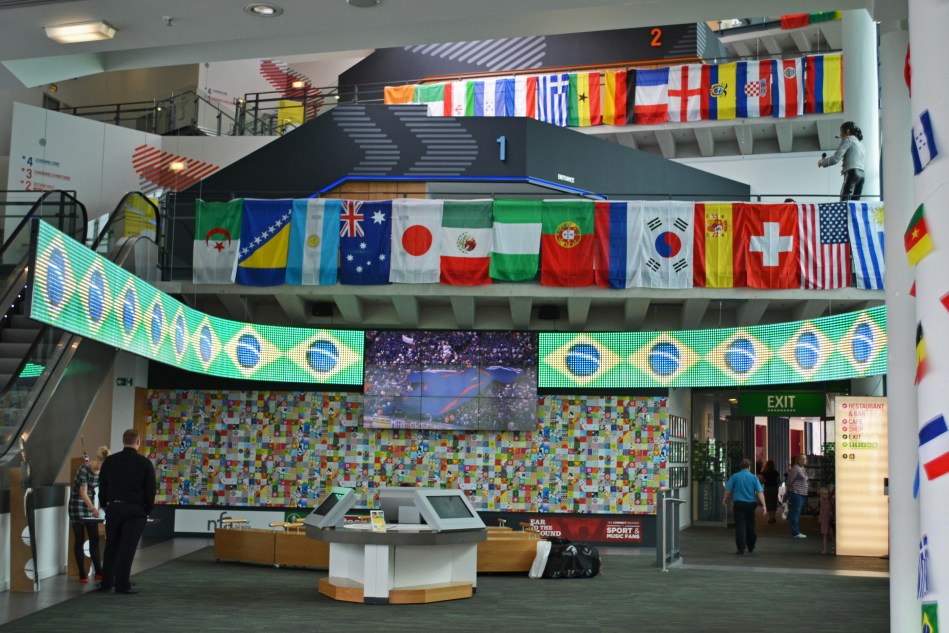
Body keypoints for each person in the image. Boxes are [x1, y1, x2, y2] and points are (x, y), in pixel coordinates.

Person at [98, 429, 156, 594]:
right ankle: (122, 583)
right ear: (138, 442)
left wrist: (105, 505)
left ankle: (106, 582)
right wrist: (147, 510)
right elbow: (150, 490)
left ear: (123, 441)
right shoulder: (144, 463)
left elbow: (102, 486)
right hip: (135, 510)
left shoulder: (110, 461)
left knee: (111, 545)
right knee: (127, 547)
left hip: (114, 508)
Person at [68, 446, 110, 583]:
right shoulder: (84, 469)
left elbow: (103, 490)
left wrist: (103, 507)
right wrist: (93, 509)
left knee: (94, 538)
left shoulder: (104, 471)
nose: (102, 468)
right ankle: (82, 573)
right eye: (101, 465)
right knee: (79, 538)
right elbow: (83, 493)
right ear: (97, 459)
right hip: (77, 503)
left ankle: (99, 571)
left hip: (90, 502)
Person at [723, 458, 767, 555]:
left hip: (738, 504)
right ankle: (751, 546)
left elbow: (728, 490)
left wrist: (725, 499)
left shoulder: (734, 476)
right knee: (751, 525)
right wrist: (764, 505)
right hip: (750, 505)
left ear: (741, 467)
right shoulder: (754, 478)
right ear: (749, 467)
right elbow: (760, 492)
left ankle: (741, 548)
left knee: (740, 526)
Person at [817, 121, 866, 201]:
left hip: (852, 173)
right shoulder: (861, 144)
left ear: (847, 131)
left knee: (844, 201)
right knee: (855, 202)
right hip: (862, 175)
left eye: (841, 132)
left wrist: (822, 162)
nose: (841, 135)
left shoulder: (848, 139)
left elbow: (835, 159)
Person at [785, 454, 810, 538]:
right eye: (803, 459)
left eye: (805, 458)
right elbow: (789, 481)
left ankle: (794, 528)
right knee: (796, 512)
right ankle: (795, 532)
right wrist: (790, 489)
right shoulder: (796, 468)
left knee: (796, 511)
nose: (805, 460)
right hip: (796, 493)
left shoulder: (801, 468)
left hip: (801, 493)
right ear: (798, 460)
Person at [761, 459, 781, 524]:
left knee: (768, 503)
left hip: (767, 489)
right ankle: (773, 517)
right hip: (774, 489)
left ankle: (770, 518)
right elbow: (778, 481)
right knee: (774, 503)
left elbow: (762, 481)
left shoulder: (764, 472)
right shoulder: (776, 472)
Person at [819, 486, 836, 555]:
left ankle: (834, 547)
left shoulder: (831, 500)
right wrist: (820, 517)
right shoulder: (821, 500)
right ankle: (825, 549)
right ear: (821, 495)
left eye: (827, 494)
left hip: (830, 518)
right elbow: (821, 508)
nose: (826, 495)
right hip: (824, 518)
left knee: (832, 534)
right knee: (825, 534)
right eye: (824, 494)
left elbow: (833, 508)